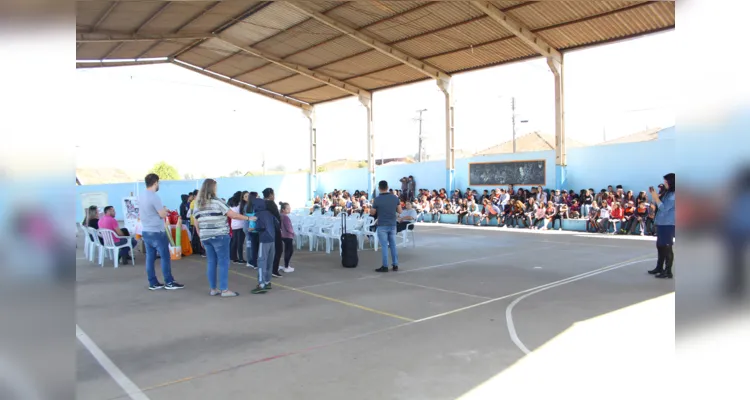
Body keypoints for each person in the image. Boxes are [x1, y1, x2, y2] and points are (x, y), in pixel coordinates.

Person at [193, 179, 255, 297]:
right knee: (223, 262)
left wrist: (201, 236)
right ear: (213, 188)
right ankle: (224, 289)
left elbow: (196, 222)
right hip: (219, 236)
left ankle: (213, 289)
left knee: (211, 262)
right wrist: (248, 218)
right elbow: (233, 215)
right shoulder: (217, 202)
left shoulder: (198, 204)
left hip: (206, 237)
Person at [138, 173, 183, 290]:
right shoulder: (154, 196)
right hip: (157, 231)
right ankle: (169, 281)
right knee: (165, 257)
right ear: (155, 182)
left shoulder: (141, 195)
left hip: (146, 231)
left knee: (150, 258)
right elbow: (162, 214)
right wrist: (165, 210)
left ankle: (152, 282)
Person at [648, 173, 676, 279]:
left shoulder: (674, 195)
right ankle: (659, 267)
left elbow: (664, 208)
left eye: (666, 181)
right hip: (661, 222)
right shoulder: (668, 193)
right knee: (660, 245)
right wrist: (656, 196)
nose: (664, 184)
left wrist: (656, 198)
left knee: (667, 246)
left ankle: (668, 270)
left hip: (668, 223)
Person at [371, 180, 401, 273]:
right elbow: (400, 211)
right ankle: (395, 264)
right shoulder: (395, 198)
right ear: (387, 187)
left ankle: (385, 266)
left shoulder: (377, 199)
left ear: (379, 188)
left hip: (382, 224)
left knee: (384, 246)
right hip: (392, 224)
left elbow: (373, 212)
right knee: (393, 245)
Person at [251, 197, 279, 294]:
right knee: (269, 262)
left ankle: (261, 284)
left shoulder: (258, 214)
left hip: (264, 239)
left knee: (261, 261)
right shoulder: (269, 213)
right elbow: (277, 223)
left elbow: (260, 227)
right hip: (272, 239)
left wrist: (254, 229)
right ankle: (267, 282)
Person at [263, 188, 284, 278]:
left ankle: (268, 268)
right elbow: (277, 217)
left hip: (265, 229)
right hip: (273, 229)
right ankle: (274, 269)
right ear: (271, 194)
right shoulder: (271, 203)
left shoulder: (261, 203)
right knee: (278, 249)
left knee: (267, 250)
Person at [279, 202, 295, 273]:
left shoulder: (281, 215)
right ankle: (286, 266)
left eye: (289, 208)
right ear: (283, 209)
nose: (289, 209)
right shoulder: (285, 217)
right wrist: (292, 232)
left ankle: (286, 265)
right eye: (287, 208)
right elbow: (288, 227)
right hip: (287, 236)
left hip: (283, 235)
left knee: (288, 250)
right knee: (289, 251)